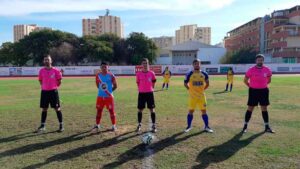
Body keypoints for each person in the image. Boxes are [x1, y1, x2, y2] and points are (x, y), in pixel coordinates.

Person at [242, 54, 274, 133]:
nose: (260, 61)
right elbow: (245, 80)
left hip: (264, 91)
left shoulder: (267, 69)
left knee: (264, 108)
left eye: (261, 60)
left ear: (263, 61)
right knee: (250, 108)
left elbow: (269, 80)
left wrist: (262, 85)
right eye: (258, 60)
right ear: (256, 61)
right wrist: (251, 86)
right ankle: (245, 126)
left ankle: (267, 127)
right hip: (253, 91)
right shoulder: (251, 69)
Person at [184, 59, 213, 133]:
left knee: (204, 111)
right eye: (195, 64)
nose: (197, 65)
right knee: (191, 111)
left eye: (198, 64)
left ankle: (206, 126)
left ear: (200, 64)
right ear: (193, 65)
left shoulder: (204, 74)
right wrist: (190, 90)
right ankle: (189, 126)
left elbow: (207, 84)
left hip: (201, 96)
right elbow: (185, 83)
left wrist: (203, 90)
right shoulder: (189, 74)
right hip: (192, 97)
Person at [37, 55, 64, 132]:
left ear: (51, 61)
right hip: (44, 92)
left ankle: (61, 125)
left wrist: (54, 87)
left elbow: (59, 81)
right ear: (43, 61)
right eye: (45, 60)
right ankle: (43, 126)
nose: (46, 61)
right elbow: (40, 81)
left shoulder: (56, 71)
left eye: (48, 60)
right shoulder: (41, 71)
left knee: (57, 108)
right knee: (44, 109)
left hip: (53, 92)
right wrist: (45, 86)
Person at [92, 62, 118, 132]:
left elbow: (115, 86)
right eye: (102, 67)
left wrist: (109, 92)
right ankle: (97, 125)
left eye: (105, 67)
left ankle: (113, 126)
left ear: (108, 67)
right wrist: (102, 91)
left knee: (111, 111)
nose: (104, 68)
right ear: (100, 68)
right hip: (100, 96)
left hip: (109, 97)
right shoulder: (98, 75)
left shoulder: (111, 75)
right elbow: (97, 85)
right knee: (99, 111)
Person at [136, 58, 157, 133]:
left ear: (148, 64)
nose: (145, 65)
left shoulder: (152, 73)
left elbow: (154, 81)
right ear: (141, 65)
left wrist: (151, 88)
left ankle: (154, 125)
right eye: (143, 63)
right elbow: (138, 82)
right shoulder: (138, 74)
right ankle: (139, 125)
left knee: (152, 109)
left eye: (146, 63)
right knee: (140, 109)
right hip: (141, 93)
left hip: (149, 93)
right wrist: (141, 89)